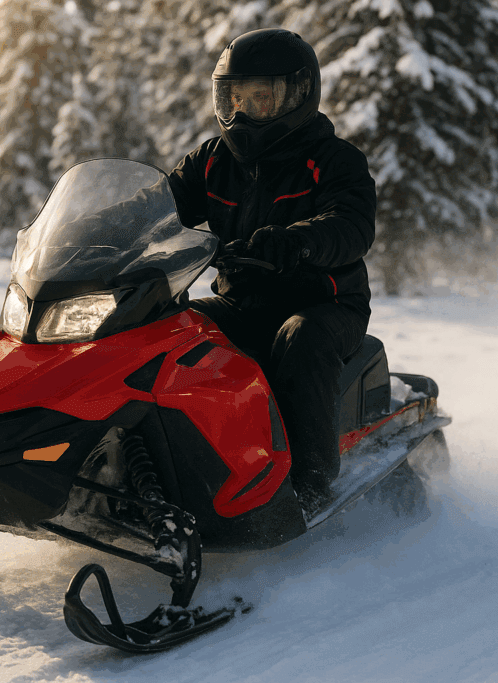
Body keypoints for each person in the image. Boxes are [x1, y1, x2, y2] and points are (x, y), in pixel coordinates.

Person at [166, 28, 377, 515]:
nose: (243, 112)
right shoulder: (212, 161)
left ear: (297, 94)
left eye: (260, 98)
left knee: (299, 339)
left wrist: (298, 241)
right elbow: (160, 205)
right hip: (242, 303)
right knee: (169, 330)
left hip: (325, 305)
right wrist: (102, 226)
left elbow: (351, 225)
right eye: (234, 98)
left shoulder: (335, 161)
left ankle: (309, 486)